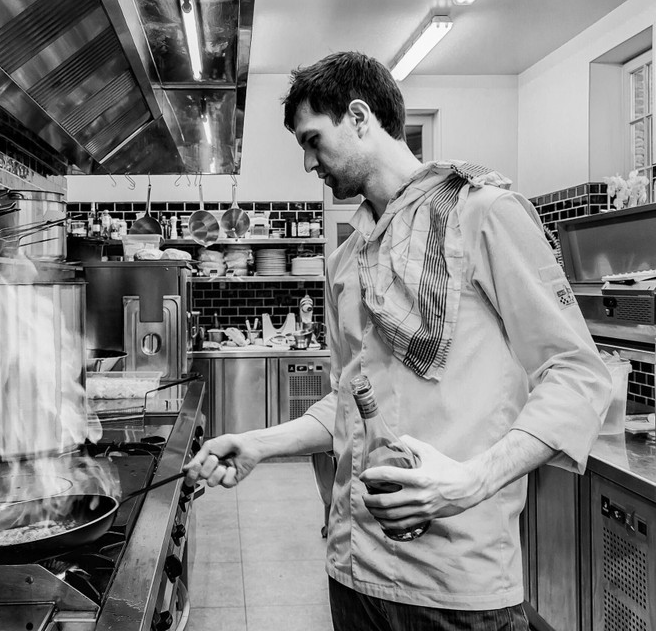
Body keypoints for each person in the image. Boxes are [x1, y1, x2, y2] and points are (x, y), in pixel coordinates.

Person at [183, 51, 611, 630]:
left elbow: (577, 373)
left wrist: (472, 479)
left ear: (359, 117)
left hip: (455, 585)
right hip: (354, 570)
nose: (309, 163)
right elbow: (351, 400)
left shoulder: (484, 216)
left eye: (313, 140)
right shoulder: (345, 261)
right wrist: (259, 443)